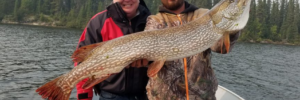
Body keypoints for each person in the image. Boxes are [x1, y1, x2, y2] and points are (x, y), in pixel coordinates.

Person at [144, 0, 241, 100]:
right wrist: (145, 60)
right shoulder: (155, 21)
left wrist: (232, 26)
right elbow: (148, 53)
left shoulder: (204, 15)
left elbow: (222, 48)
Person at [74, 0, 151, 100]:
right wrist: (84, 96)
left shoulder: (152, 21)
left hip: (144, 95)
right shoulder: (98, 22)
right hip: (110, 96)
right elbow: (81, 62)